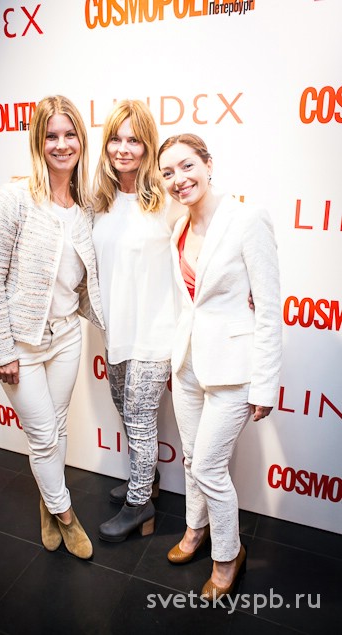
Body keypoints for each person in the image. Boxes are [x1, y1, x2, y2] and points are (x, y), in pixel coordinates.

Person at [0, 95, 104, 559]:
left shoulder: (86, 206)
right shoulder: (14, 199)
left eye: (70, 134)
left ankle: (48, 500)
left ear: (81, 140)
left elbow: (90, 275)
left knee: (56, 427)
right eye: (51, 135)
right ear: (38, 141)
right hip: (21, 343)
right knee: (44, 435)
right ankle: (66, 515)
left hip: (67, 335)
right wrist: (2, 350)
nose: (61, 144)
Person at [158, 133, 282, 599]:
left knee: (209, 467)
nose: (178, 179)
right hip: (189, 363)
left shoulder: (247, 219)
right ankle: (195, 529)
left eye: (187, 165)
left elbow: (268, 308)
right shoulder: (178, 227)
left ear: (208, 164)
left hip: (233, 368)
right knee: (193, 459)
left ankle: (228, 555)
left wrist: (265, 385)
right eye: (168, 172)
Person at [92, 100, 181, 542]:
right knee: (126, 411)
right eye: (115, 139)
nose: (123, 149)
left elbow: (205, 240)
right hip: (117, 332)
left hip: (154, 332)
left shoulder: (168, 200)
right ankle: (147, 481)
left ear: (148, 146)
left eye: (134, 140)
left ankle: (139, 504)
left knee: (142, 419)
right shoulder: (100, 201)